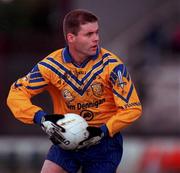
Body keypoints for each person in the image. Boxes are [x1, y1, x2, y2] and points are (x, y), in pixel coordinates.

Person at [7, 9, 142, 173]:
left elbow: (132, 108)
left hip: (105, 144)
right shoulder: (51, 66)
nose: (96, 38)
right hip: (67, 140)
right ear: (71, 38)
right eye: (89, 34)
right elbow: (16, 93)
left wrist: (103, 131)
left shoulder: (112, 66)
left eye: (97, 32)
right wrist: (41, 118)